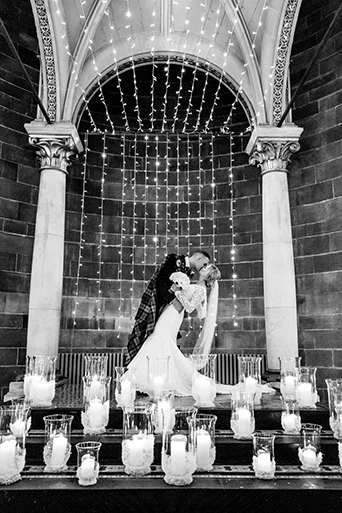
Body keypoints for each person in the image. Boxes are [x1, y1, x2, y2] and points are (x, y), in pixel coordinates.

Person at [125, 263, 233, 396]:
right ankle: (159, 377)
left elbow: (189, 307)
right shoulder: (196, 284)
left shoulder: (201, 289)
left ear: (209, 275)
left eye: (206, 268)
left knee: (159, 337)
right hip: (169, 311)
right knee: (159, 338)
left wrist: (178, 292)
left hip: (174, 315)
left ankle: (155, 379)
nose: (202, 268)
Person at [125, 250, 210, 365]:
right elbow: (161, 282)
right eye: (204, 264)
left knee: (165, 338)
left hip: (172, 312)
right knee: (153, 336)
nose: (204, 267)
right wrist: (173, 300)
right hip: (159, 306)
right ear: (199, 258)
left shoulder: (190, 273)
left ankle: (161, 368)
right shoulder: (174, 259)